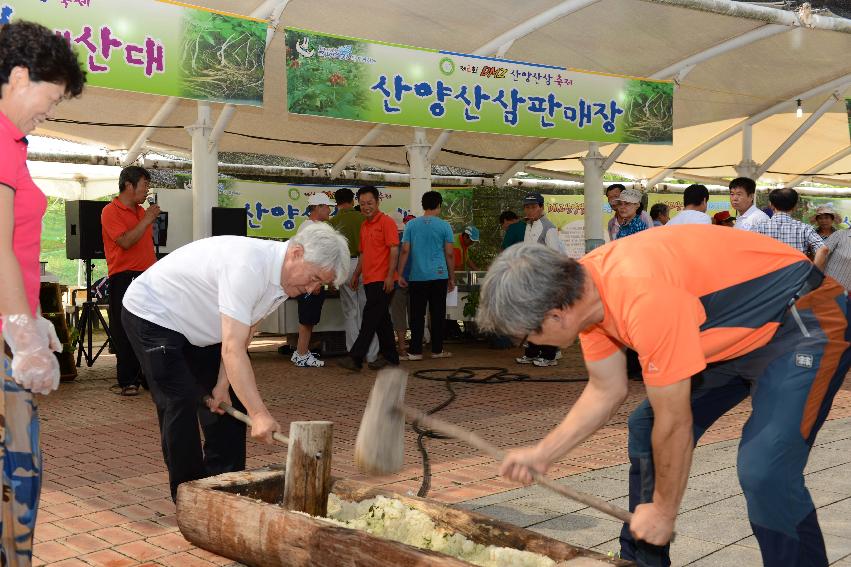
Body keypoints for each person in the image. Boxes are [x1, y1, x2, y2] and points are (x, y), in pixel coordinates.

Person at [476, 226, 850, 567]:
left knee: (765, 470)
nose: (529, 345)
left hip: (803, 320)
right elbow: (607, 389)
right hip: (734, 335)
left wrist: (664, 511)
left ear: (556, 316)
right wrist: (543, 454)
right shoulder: (585, 293)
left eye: (528, 337)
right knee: (646, 424)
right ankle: (643, 560)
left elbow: (675, 424)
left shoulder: (641, 297)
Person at [122, 224, 349, 499]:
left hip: (200, 327)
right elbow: (232, 350)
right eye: (314, 278)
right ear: (297, 253)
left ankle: (225, 488)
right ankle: (190, 496)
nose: (312, 289)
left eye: (320, 284)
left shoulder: (282, 281)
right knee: (179, 401)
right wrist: (259, 414)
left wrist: (222, 384)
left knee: (228, 403)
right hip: (152, 315)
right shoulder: (249, 267)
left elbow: (245, 334)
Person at [0, 20, 86, 565]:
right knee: (14, 499)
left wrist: (31, 316)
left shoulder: (13, 141)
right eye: (50, 98)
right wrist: (20, 332)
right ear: (19, 75)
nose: (49, 111)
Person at [101, 166, 158, 396]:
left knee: (151, 326)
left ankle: (148, 376)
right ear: (128, 185)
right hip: (124, 276)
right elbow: (125, 242)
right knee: (124, 328)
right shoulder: (110, 211)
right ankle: (128, 380)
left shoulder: (141, 211)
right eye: (144, 184)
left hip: (148, 276)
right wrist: (146, 220)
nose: (147, 190)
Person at [337, 186, 400, 372]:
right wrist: (356, 274)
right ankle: (391, 357)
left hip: (384, 280)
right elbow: (363, 253)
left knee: (370, 317)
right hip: (369, 279)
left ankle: (356, 357)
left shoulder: (386, 222)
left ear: (378, 202)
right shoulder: (364, 225)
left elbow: (394, 250)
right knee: (382, 320)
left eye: (370, 203)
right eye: (363, 204)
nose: (366, 207)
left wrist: (390, 276)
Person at [398, 191, 456, 361]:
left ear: (423, 205)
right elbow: (450, 254)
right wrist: (451, 277)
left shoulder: (411, 225)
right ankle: (437, 350)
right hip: (439, 276)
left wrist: (400, 273)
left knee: (417, 315)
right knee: (438, 313)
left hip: (417, 276)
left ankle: (415, 351)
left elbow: (405, 251)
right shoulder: (445, 226)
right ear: (439, 205)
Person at [328, 188, 378, 363]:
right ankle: (371, 354)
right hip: (366, 265)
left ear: (337, 203)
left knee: (350, 311)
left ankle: (354, 352)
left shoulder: (333, 222)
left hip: (344, 266)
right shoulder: (364, 218)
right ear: (353, 200)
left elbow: (331, 252)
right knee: (368, 311)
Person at [517, 192, 565, 367]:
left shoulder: (549, 228)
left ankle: (550, 356)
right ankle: (532, 352)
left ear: (541, 208)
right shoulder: (528, 226)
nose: (529, 211)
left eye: (533, 207)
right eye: (527, 207)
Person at [290, 193, 333, 368]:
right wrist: (313, 281)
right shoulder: (310, 228)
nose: (330, 209)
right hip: (309, 281)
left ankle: (302, 352)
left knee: (309, 319)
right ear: (317, 208)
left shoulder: (312, 226)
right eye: (327, 206)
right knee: (307, 320)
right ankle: (301, 354)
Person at [750, 188, 827, 269]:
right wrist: (813, 273)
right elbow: (823, 249)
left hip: (767, 277)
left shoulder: (759, 227)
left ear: (772, 206)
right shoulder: (805, 228)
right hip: (797, 277)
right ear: (795, 206)